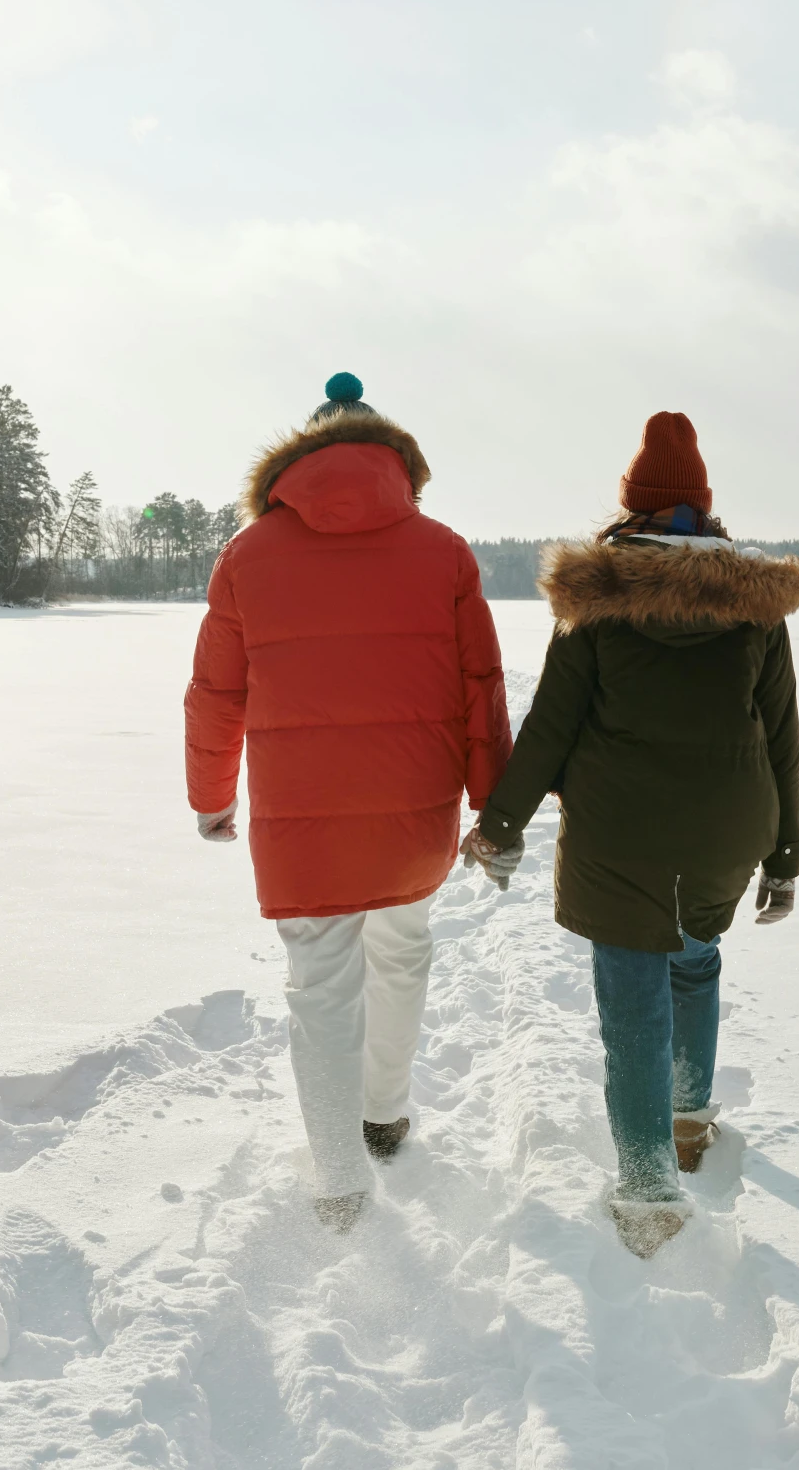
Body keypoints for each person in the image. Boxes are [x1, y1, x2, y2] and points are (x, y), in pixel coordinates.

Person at [461, 410, 799, 1258]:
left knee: (632, 1007)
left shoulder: (598, 604)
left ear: (632, 508)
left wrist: (500, 822)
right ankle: (688, 1118)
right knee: (693, 955)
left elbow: (550, 725)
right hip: (727, 827)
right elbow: (782, 733)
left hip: (619, 835)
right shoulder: (754, 606)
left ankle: (649, 1185)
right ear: (701, 509)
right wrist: (785, 853)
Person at [186, 372, 514, 1231]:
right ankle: (384, 1111)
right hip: (414, 805)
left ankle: (338, 1176)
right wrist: (493, 802)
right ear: (392, 460)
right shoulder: (442, 548)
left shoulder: (248, 552)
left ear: (297, 459)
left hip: (302, 815)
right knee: (401, 949)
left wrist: (210, 795)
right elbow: (481, 686)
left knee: (320, 982)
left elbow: (216, 692)